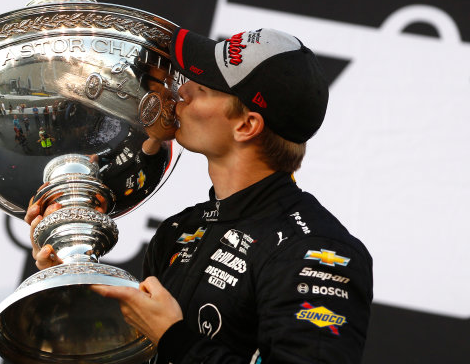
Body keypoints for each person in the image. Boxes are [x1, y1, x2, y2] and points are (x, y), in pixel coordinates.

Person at [25, 27, 373, 363]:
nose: (183, 92)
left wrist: (174, 337)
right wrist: (73, 279)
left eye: (204, 87)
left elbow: (173, 342)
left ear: (246, 125)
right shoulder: (178, 232)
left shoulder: (316, 251)